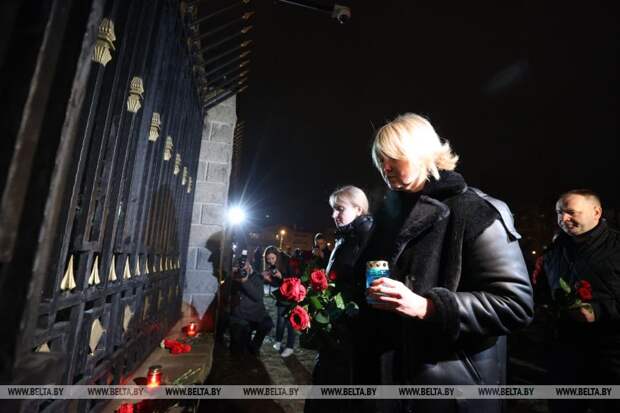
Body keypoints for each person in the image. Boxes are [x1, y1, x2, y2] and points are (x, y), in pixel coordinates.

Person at [361, 113, 534, 412]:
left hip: (453, 391)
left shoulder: (475, 210)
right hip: (391, 386)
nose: (385, 168)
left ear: (420, 153)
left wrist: (429, 307)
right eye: (380, 160)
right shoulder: (388, 214)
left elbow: (515, 304)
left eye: (393, 158)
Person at [538, 189, 620, 413]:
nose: (563, 219)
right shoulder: (554, 251)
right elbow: (542, 292)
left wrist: (600, 311)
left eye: (571, 212)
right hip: (565, 354)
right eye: (559, 213)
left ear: (596, 212)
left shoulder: (616, 247)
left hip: (611, 357)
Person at [305, 186, 374, 413]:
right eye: (333, 210)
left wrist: (337, 309)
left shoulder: (368, 238)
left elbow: (365, 288)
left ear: (358, 208)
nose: (334, 215)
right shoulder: (346, 237)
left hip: (349, 336)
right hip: (334, 330)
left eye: (339, 209)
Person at [228, 253, 273, 356]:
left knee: (267, 323)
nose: (243, 269)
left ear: (250, 266)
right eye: (241, 266)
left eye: (245, 266)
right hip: (240, 315)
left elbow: (258, 296)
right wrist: (233, 277)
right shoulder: (235, 277)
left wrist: (245, 281)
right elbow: (229, 294)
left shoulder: (257, 277)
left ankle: (255, 345)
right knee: (237, 351)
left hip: (256, 315)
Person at [262, 245, 297, 358]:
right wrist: (269, 279)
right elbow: (277, 284)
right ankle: (278, 341)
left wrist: (281, 276)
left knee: (290, 322)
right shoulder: (272, 266)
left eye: (272, 258)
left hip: (292, 294)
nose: (271, 261)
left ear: (277, 255)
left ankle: (290, 347)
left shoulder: (287, 261)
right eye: (268, 259)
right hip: (282, 295)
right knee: (280, 319)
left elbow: (293, 279)